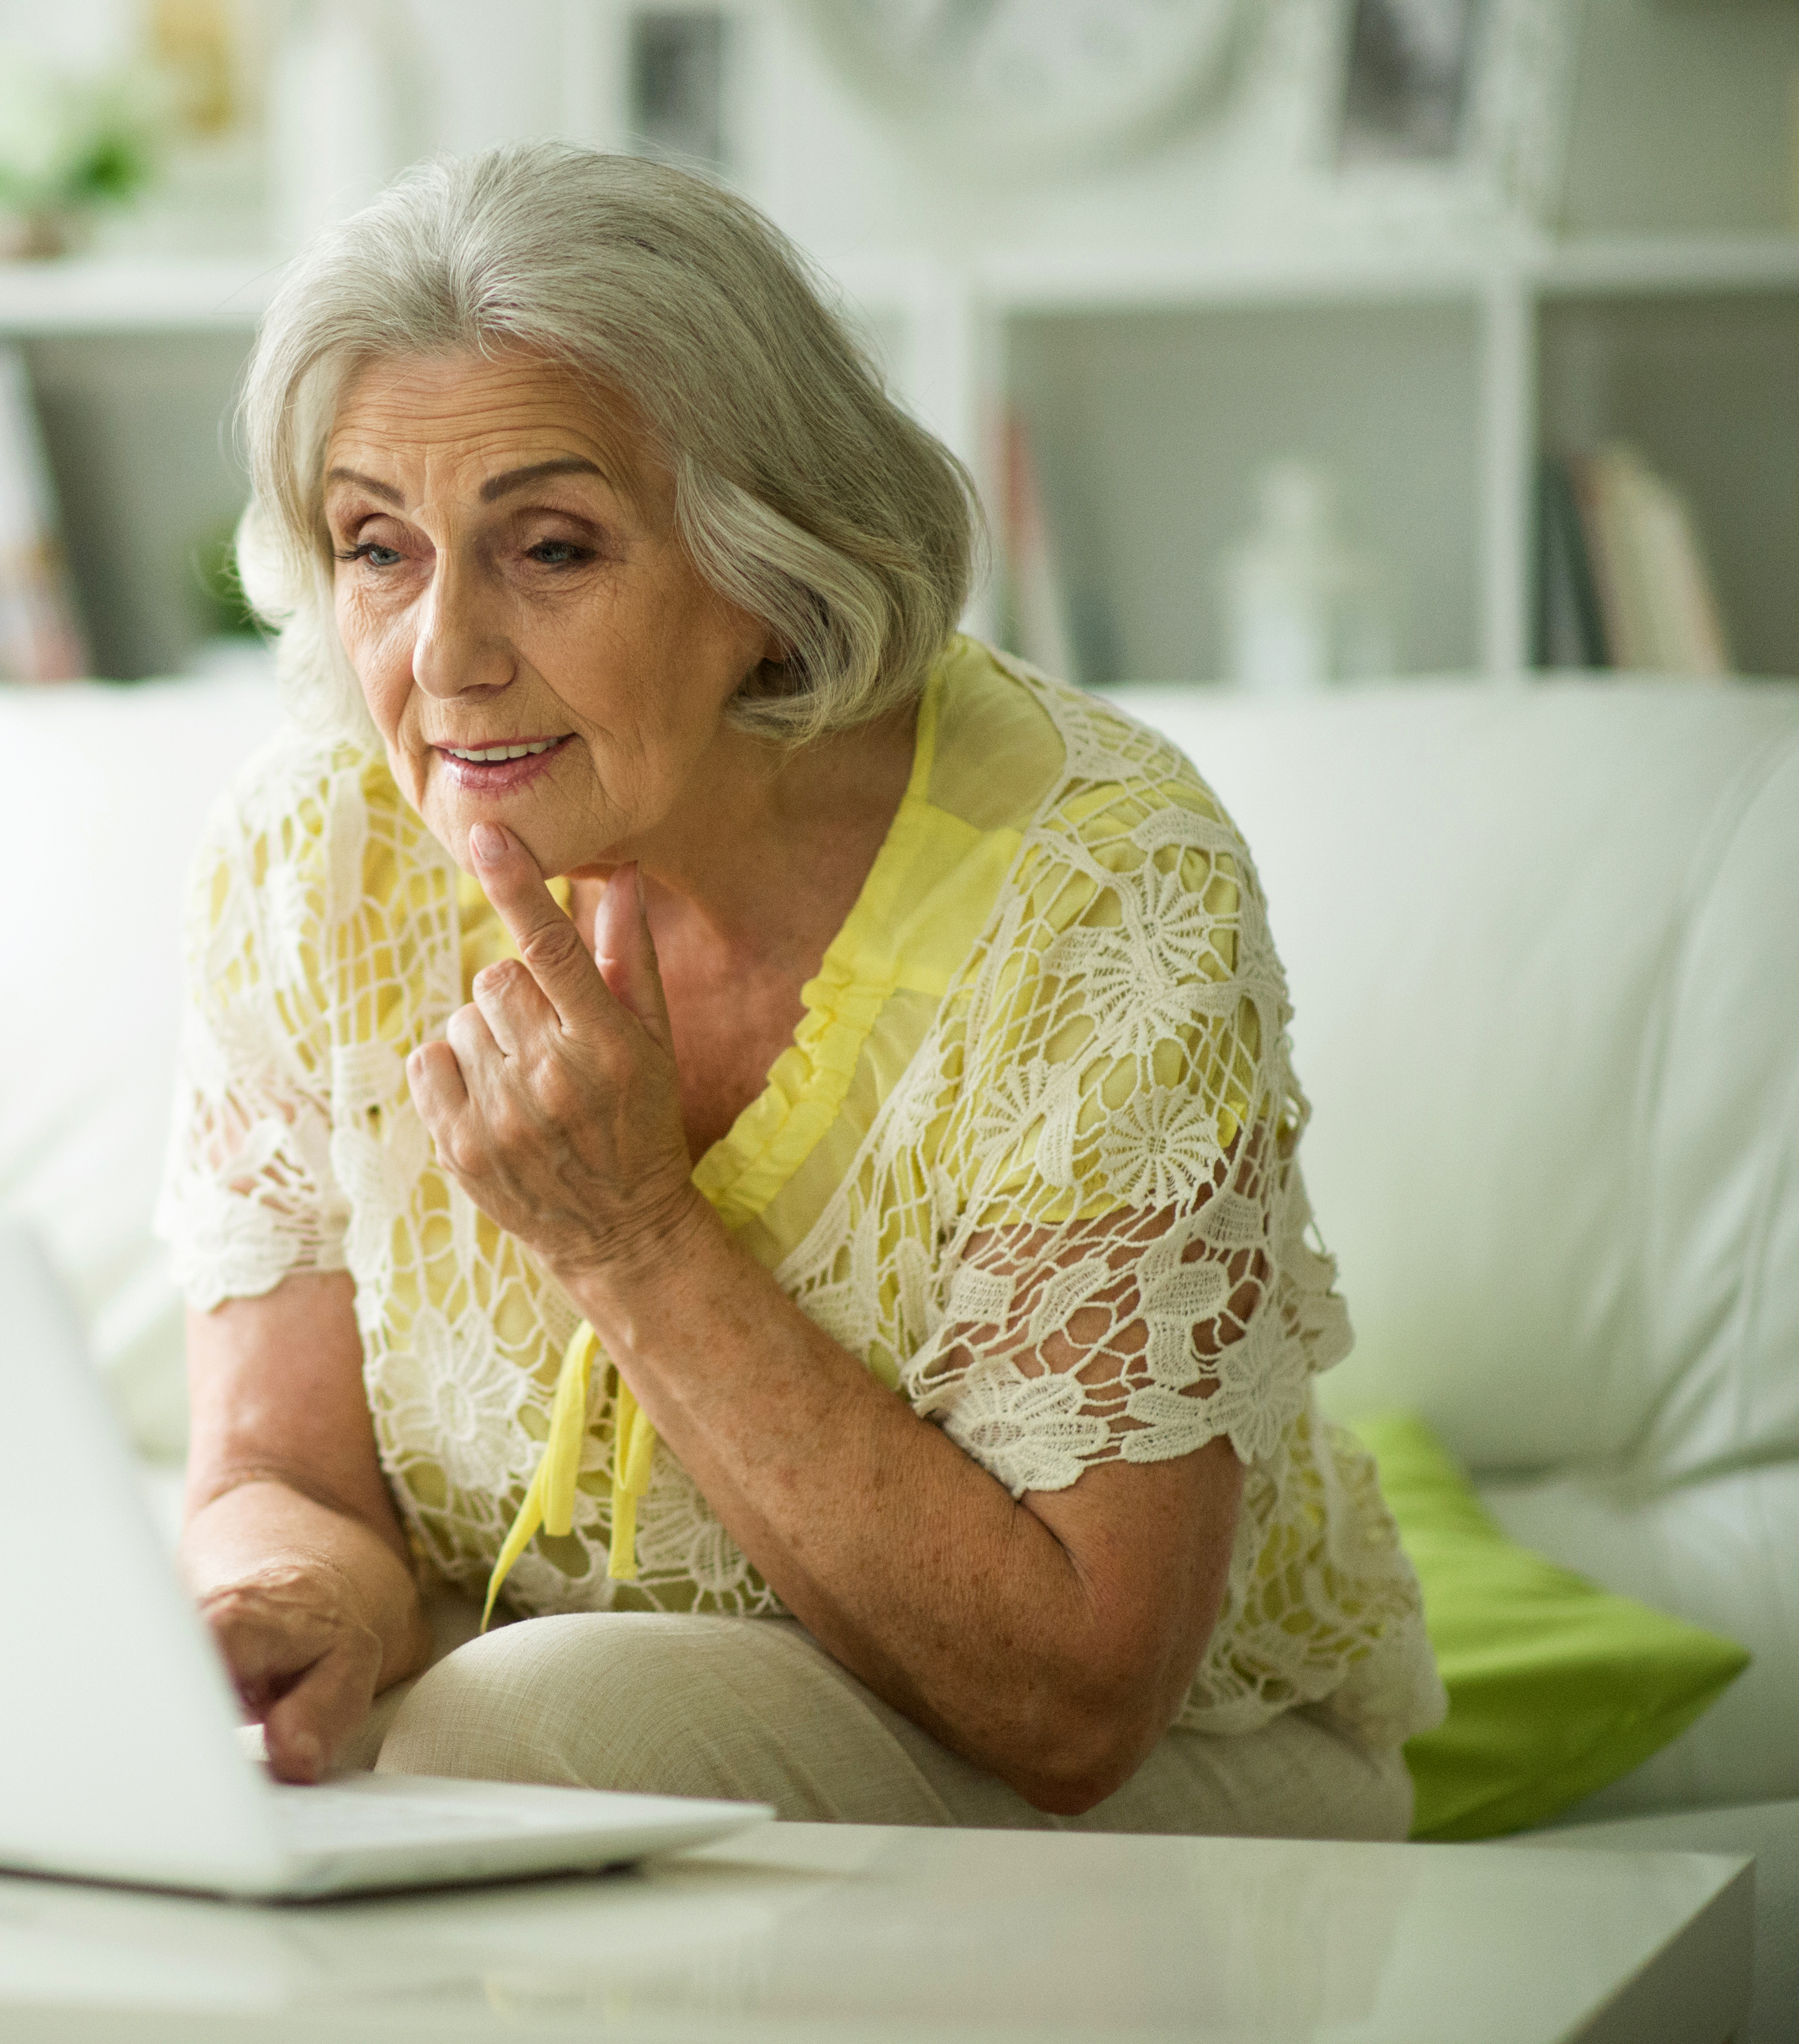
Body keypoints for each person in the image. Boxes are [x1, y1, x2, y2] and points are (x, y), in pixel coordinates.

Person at [156, 143, 1443, 1839]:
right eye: (377, 550)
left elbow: (1081, 1702)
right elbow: (283, 1480)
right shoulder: (314, 849)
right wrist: (286, 1602)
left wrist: (632, 1237)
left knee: (524, 1729)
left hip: (1144, 1788)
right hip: (528, 1736)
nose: (444, 657)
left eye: (550, 548)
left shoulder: (1099, 887)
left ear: (765, 576)